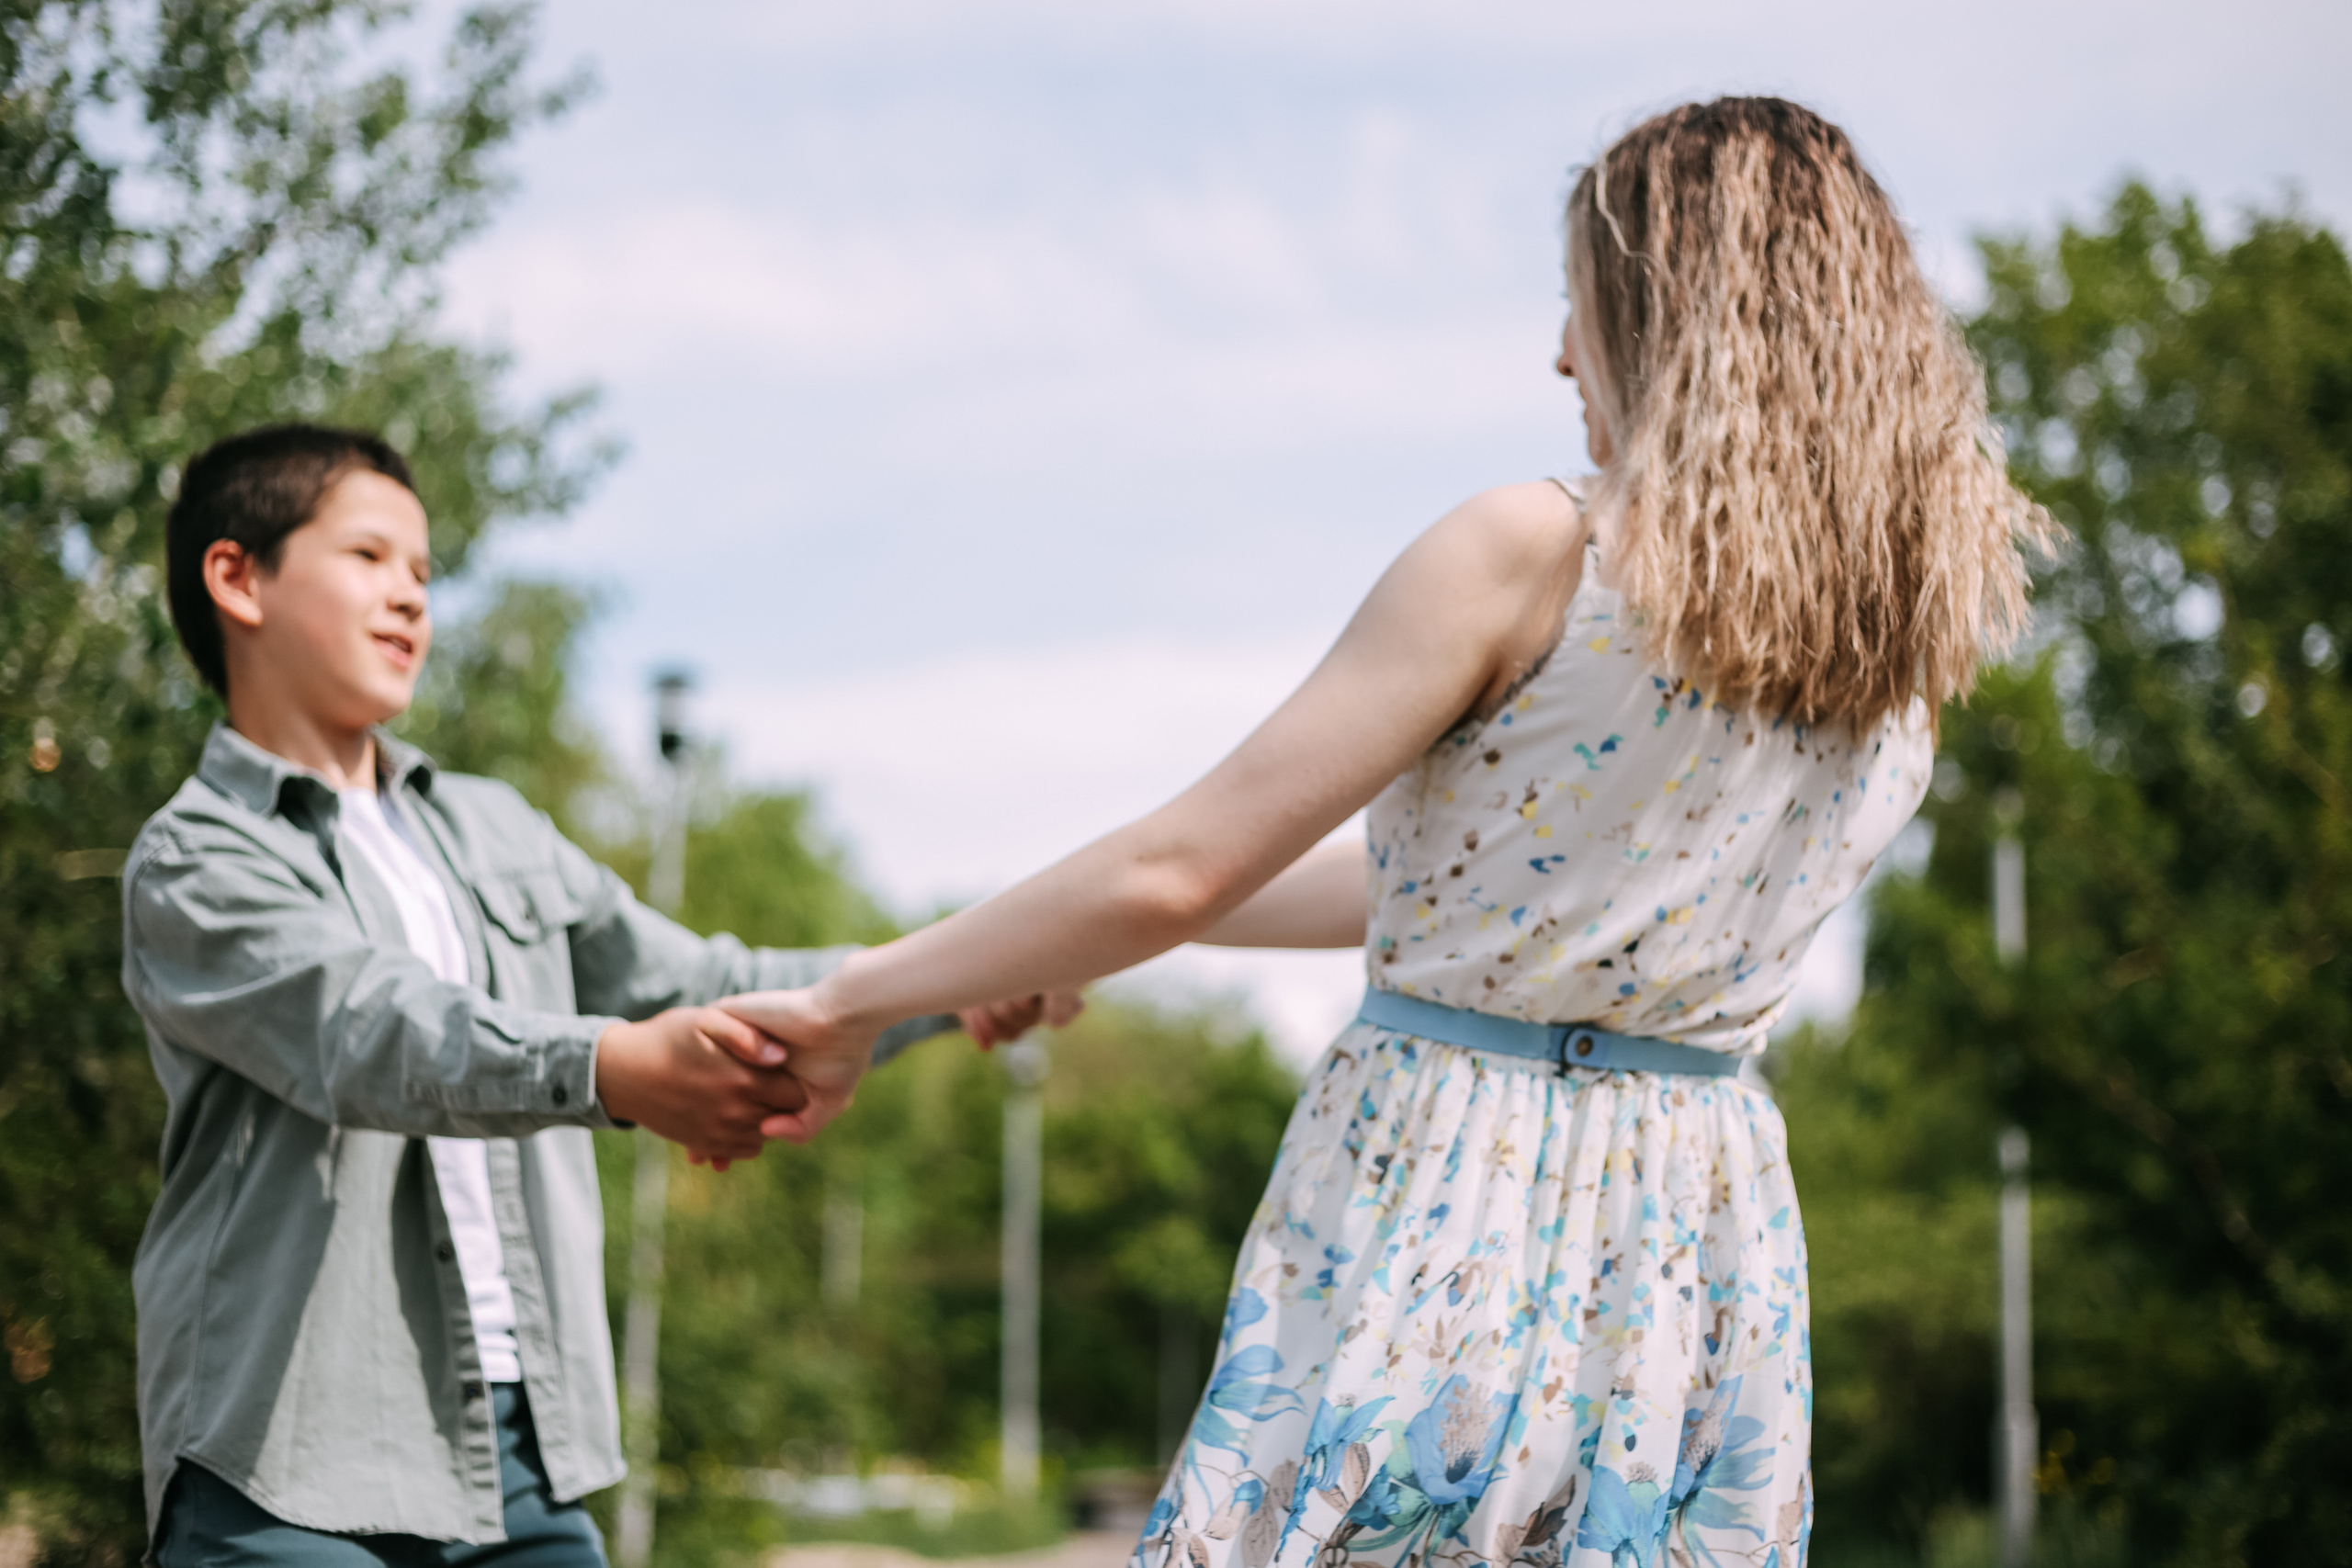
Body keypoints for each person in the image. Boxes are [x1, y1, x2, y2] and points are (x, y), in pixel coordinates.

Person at [720, 98, 2052, 1567]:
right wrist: (1062, 937)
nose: (1561, 355)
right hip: (1693, 1232)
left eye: (1583, 305)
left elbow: (1182, 862)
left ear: (1669, 314)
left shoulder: (1534, 547)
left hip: (1449, 1191)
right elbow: (1464, 892)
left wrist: (851, 996)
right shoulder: (1896, 657)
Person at [124, 424, 1054, 1564]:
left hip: (517, 1455)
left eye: (424, 573)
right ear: (237, 578)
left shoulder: (492, 826)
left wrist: (950, 984)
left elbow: (703, 982)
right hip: (286, 1467)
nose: (411, 599)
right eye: (370, 558)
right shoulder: (198, 858)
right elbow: (372, 1033)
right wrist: (616, 1070)